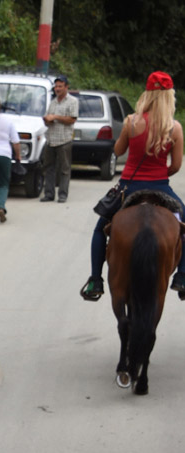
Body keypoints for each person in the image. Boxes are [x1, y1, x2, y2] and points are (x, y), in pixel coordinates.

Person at [80, 70, 185, 301]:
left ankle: (95, 280)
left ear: (146, 94)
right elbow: (176, 166)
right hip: (161, 187)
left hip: (128, 187)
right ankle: (182, 276)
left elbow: (118, 151)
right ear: (169, 97)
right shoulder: (174, 128)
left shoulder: (131, 121)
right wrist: (158, 174)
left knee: (100, 228)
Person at [41, 74, 78, 202]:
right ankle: (49, 194)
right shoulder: (53, 102)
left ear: (66, 87)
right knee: (48, 168)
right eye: (56, 86)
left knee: (64, 169)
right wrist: (47, 120)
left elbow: (72, 119)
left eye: (60, 86)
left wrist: (55, 117)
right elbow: (48, 117)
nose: (57, 89)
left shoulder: (72, 101)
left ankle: (62, 194)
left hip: (64, 140)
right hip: (51, 139)